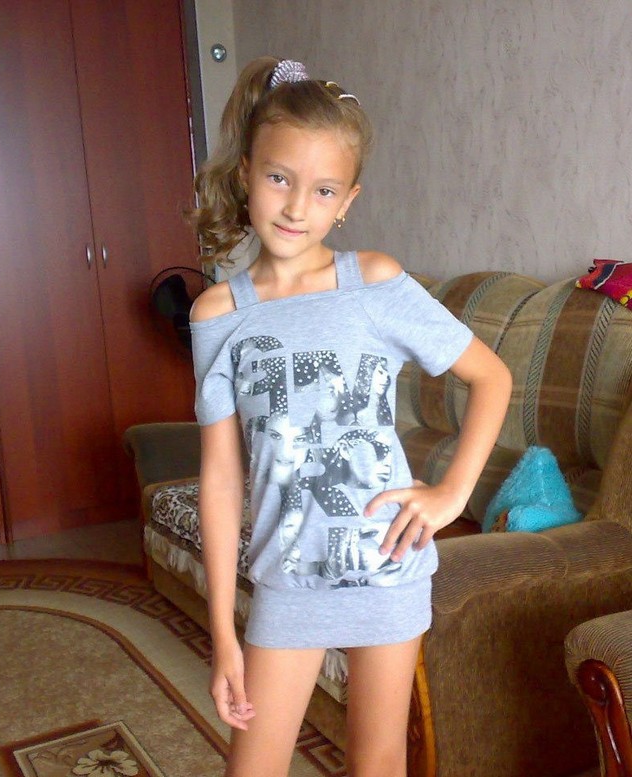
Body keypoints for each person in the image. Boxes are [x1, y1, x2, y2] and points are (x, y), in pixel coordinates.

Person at [188, 56, 512, 777]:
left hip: (387, 567)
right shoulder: (217, 315)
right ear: (245, 173)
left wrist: (451, 492)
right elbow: (220, 479)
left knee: (378, 760)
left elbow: (491, 376)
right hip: (285, 581)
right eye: (279, 178)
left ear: (347, 201)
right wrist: (223, 634)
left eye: (324, 189)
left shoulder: (374, 282)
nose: (297, 206)